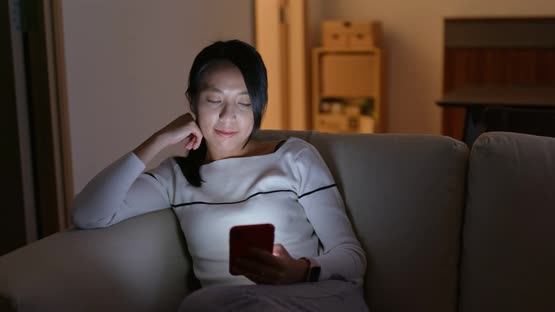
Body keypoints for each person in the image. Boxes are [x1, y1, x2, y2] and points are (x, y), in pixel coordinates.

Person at [72, 40, 368, 311]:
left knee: (202, 304)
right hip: (232, 306)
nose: (228, 117)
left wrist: (300, 269)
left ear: (259, 105)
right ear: (193, 103)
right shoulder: (177, 178)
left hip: (315, 297)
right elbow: (89, 214)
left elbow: (352, 258)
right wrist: (160, 138)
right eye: (214, 101)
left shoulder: (293, 157)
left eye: (243, 102)